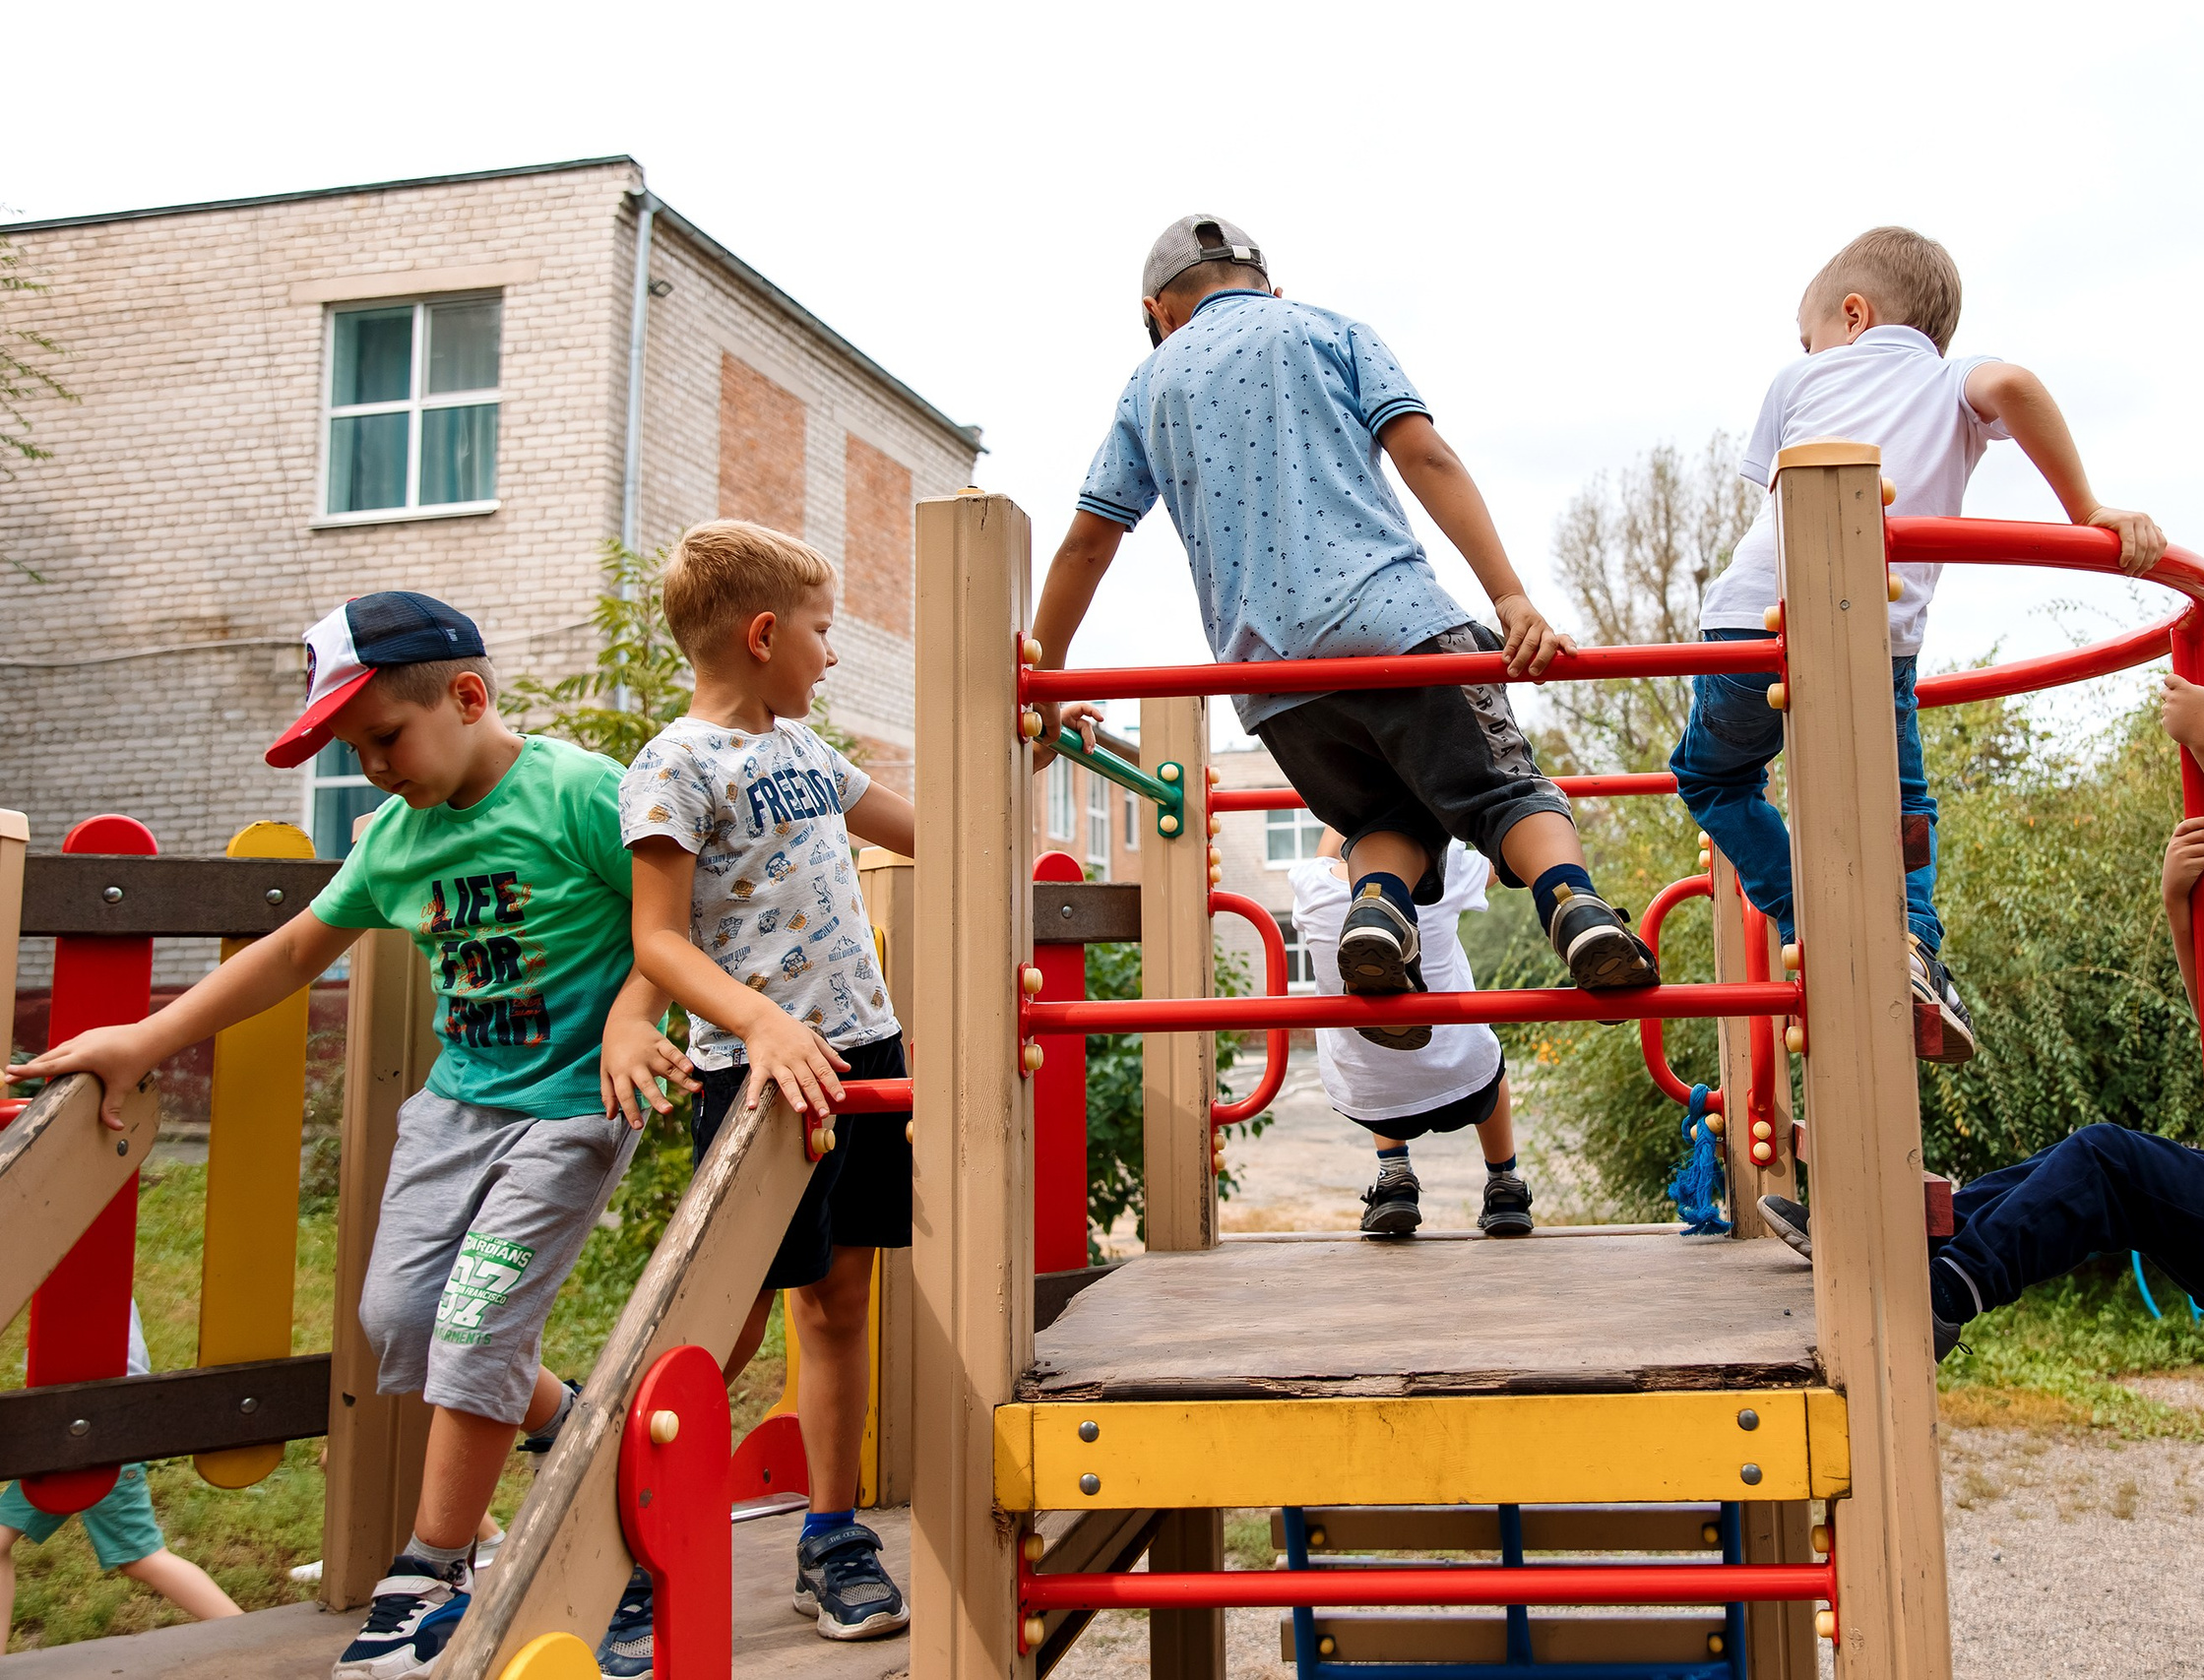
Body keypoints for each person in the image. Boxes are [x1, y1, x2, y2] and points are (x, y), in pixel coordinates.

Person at [16, 592, 695, 1680]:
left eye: (383, 737)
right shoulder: (395, 837)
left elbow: (668, 919)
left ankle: (431, 1573)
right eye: (351, 748)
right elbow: (289, 954)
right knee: (403, 1316)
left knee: (473, 1327)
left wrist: (633, 1019)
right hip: (457, 1108)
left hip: (571, 1105)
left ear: (467, 697)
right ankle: (586, 1445)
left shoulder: (575, 793)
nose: (372, 768)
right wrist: (145, 1040)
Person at [616, 519, 1097, 1666]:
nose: (832, 656)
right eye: (823, 633)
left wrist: (1034, 749)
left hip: (858, 1058)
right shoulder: (676, 764)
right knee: (716, 1328)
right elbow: (660, 942)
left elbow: (938, 834)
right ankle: (636, 1554)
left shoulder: (806, 754)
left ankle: (830, 1539)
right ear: (765, 633)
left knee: (837, 1304)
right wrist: (760, 1021)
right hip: (756, 1073)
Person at [1031, 214, 1660, 1053]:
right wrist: (1508, 596)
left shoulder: (1147, 385)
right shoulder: (1327, 328)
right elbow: (1425, 457)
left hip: (1274, 684)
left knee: (1381, 817)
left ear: (1161, 311)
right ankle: (1576, 908)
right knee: (1505, 792)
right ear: (1268, 286)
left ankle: (1377, 915)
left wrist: (1042, 674)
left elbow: (1088, 540)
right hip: (1397, 627)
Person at [1762, 670, 2204, 1376]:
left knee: (2110, 1157)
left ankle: (1945, 1292)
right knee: (2087, 1165)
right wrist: (2178, 907)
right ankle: (1903, 1240)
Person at [1673, 225, 2169, 1065]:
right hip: (1875, 635)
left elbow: (1774, 493)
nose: (1808, 351)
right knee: (1900, 802)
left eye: (1812, 333)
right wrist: (2086, 509)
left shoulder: (1800, 378)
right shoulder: (1952, 380)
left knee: (1713, 775)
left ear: (1854, 315)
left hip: (1747, 623)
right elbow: (2011, 380)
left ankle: (1802, 915)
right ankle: (1913, 947)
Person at [1287, 829, 1531, 1237]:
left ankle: (1394, 1180)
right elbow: (1502, 863)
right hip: (1466, 1083)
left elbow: (1322, 858)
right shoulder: (1448, 869)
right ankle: (1504, 1184)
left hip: (1370, 1098)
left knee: (1380, 1042)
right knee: (1488, 1057)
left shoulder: (1309, 884)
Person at [0, 1305, 242, 1647]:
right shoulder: (83, 1280)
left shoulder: (92, 1283)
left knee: (143, 1557)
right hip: (62, 1438)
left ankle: (245, 1633)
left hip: (99, 1436)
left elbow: (122, 1374)